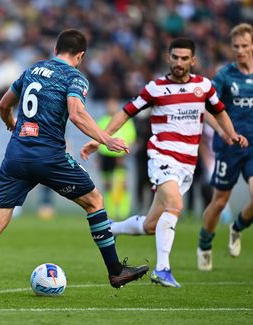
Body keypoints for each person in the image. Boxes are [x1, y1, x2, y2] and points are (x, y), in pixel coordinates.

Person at [0, 29, 149, 299]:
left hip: (16, 155)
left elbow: (4, 104)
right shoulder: (74, 76)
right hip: (49, 156)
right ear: (81, 56)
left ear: (56, 50)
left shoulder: (32, 70)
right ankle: (115, 270)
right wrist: (105, 138)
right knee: (95, 201)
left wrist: (12, 125)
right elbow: (76, 114)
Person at [82, 38, 248, 288]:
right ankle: (162, 269)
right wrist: (102, 139)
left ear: (193, 60)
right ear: (168, 58)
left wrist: (230, 134)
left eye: (184, 58)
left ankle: (110, 229)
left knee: (151, 225)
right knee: (175, 206)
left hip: (187, 163)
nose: (179, 62)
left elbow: (217, 111)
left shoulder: (203, 87)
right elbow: (128, 111)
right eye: (175, 57)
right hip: (162, 156)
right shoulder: (156, 88)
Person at [197, 23, 253, 271]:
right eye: (236, 46)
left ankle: (238, 226)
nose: (240, 50)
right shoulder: (224, 76)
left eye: (244, 45)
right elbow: (205, 107)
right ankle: (205, 243)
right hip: (229, 147)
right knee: (219, 202)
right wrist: (221, 130)